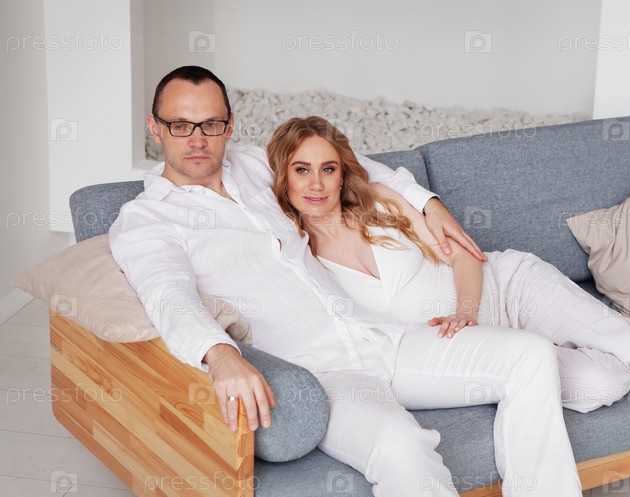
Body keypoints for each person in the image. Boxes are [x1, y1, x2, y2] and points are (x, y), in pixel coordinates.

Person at [110, 66, 582, 496]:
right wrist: (220, 355)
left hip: (382, 337)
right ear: (154, 127)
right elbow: (167, 295)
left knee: (531, 355)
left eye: (211, 124)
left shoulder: (252, 166)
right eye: (180, 125)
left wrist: (427, 203)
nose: (197, 139)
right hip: (325, 376)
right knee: (400, 445)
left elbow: (345, 161)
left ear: (229, 126)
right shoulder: (146, 220)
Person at [266, 116, 630, 413]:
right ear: (284, 179)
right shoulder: (295, 258)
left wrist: (466, 312)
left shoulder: (381, 201)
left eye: (327, 168)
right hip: (486, 353)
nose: (316, 183)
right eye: (301, 170)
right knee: (602, 386)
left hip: (507, 290)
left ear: (342, 173)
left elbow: (466, 255)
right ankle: (621, 344)